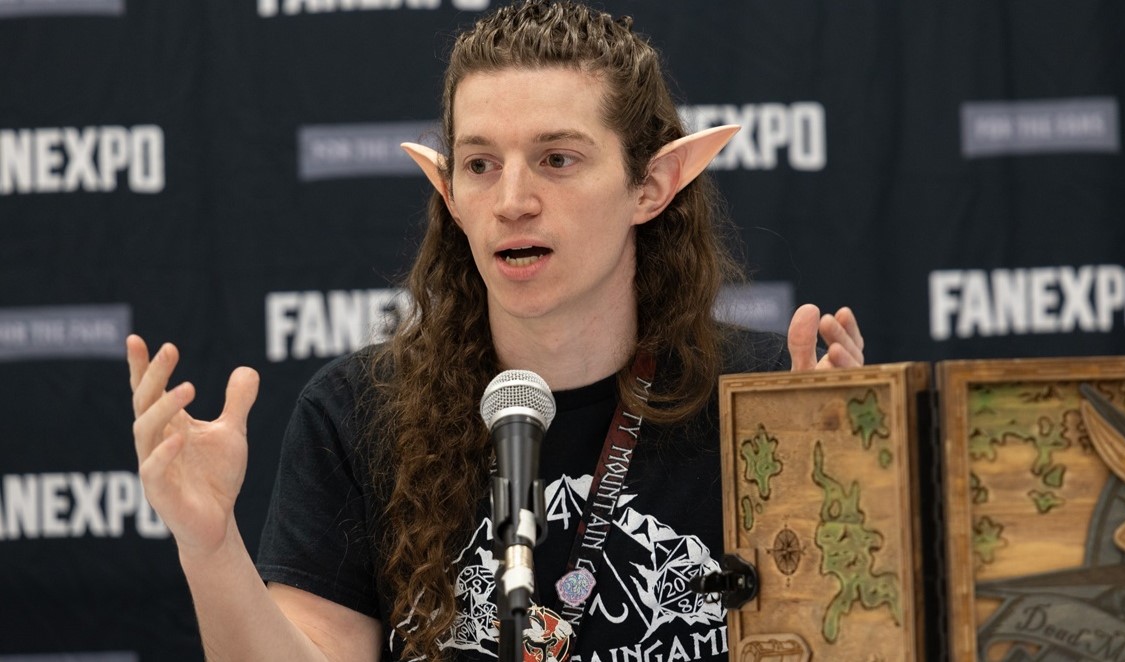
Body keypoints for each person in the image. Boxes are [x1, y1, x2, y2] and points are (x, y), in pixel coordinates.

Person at [126, 1, 864, 660]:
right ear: (449, 192)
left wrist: (852, 496)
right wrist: (210, 546)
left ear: (651, 185)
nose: (512, 200)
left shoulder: (767, 399)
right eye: (480, 164)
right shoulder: (355, 411)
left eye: (557, 159)